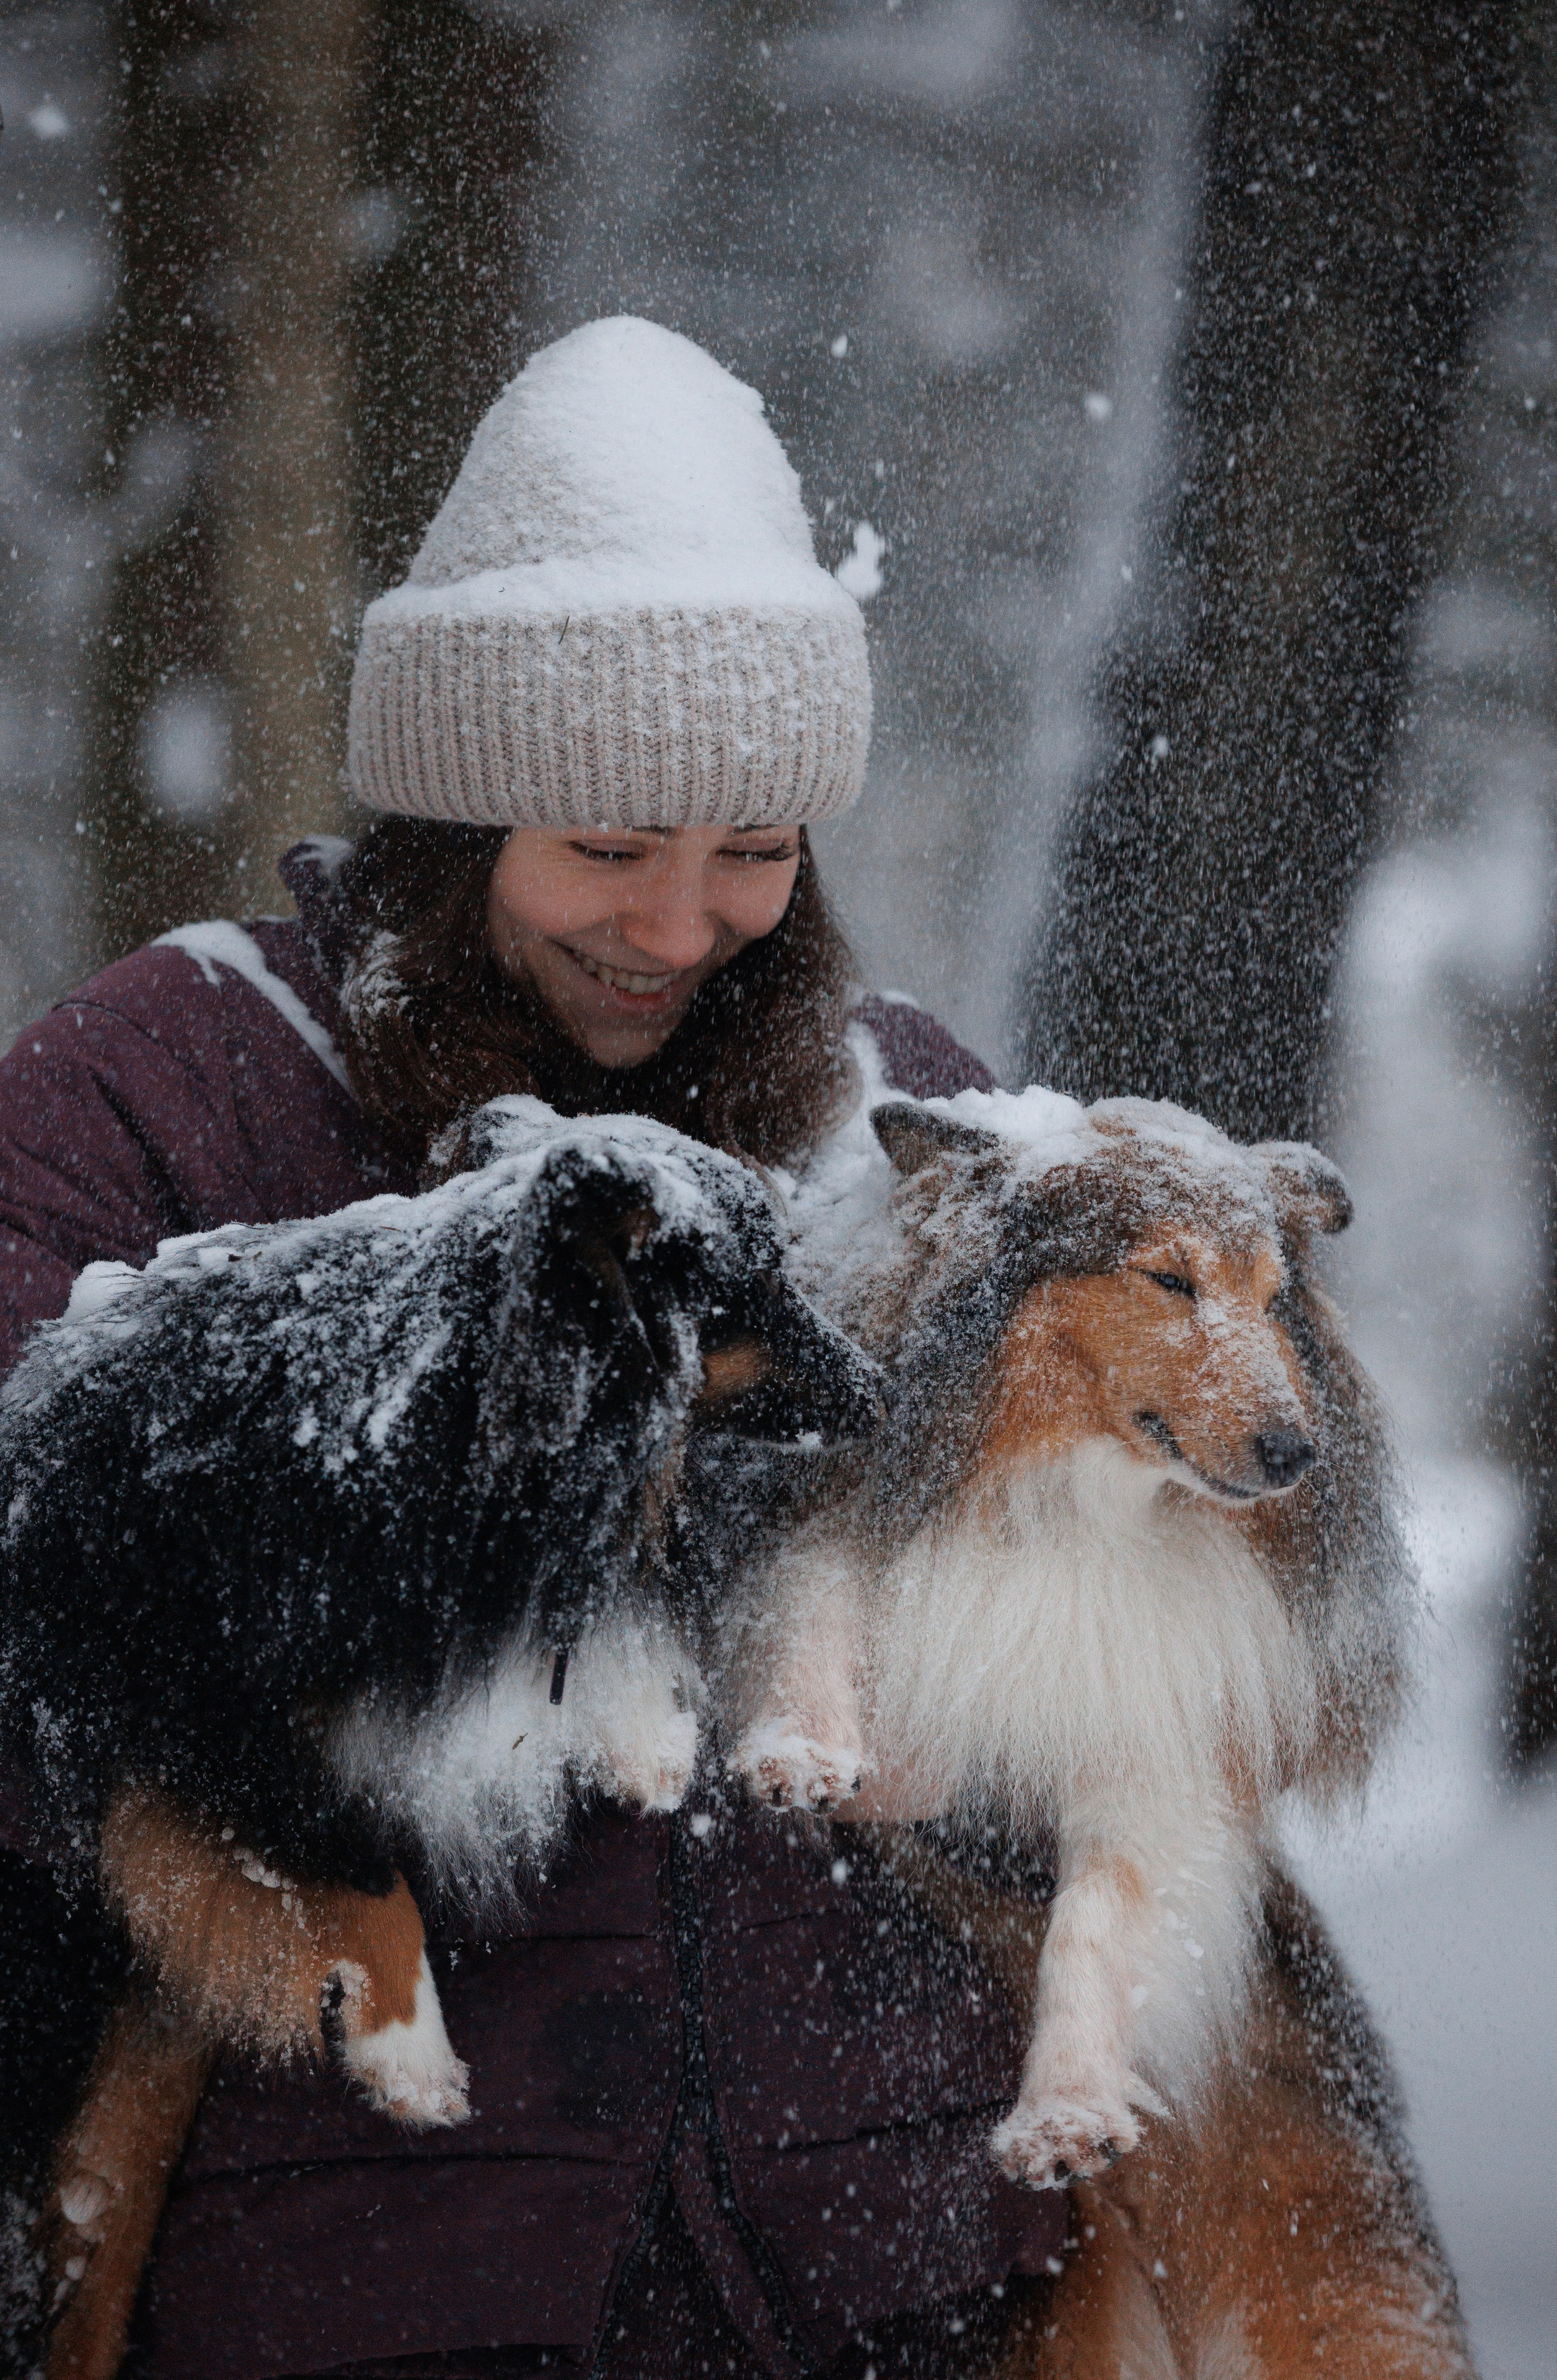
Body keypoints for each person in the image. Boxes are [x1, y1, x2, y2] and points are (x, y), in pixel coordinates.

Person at [0, 319, 1068, 2376]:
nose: (681, 929)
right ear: (450, 813)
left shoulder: (911, 1116)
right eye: (606, 848)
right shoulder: (174, 1081)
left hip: (891, 2275)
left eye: (754, 849)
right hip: (344, 2271)